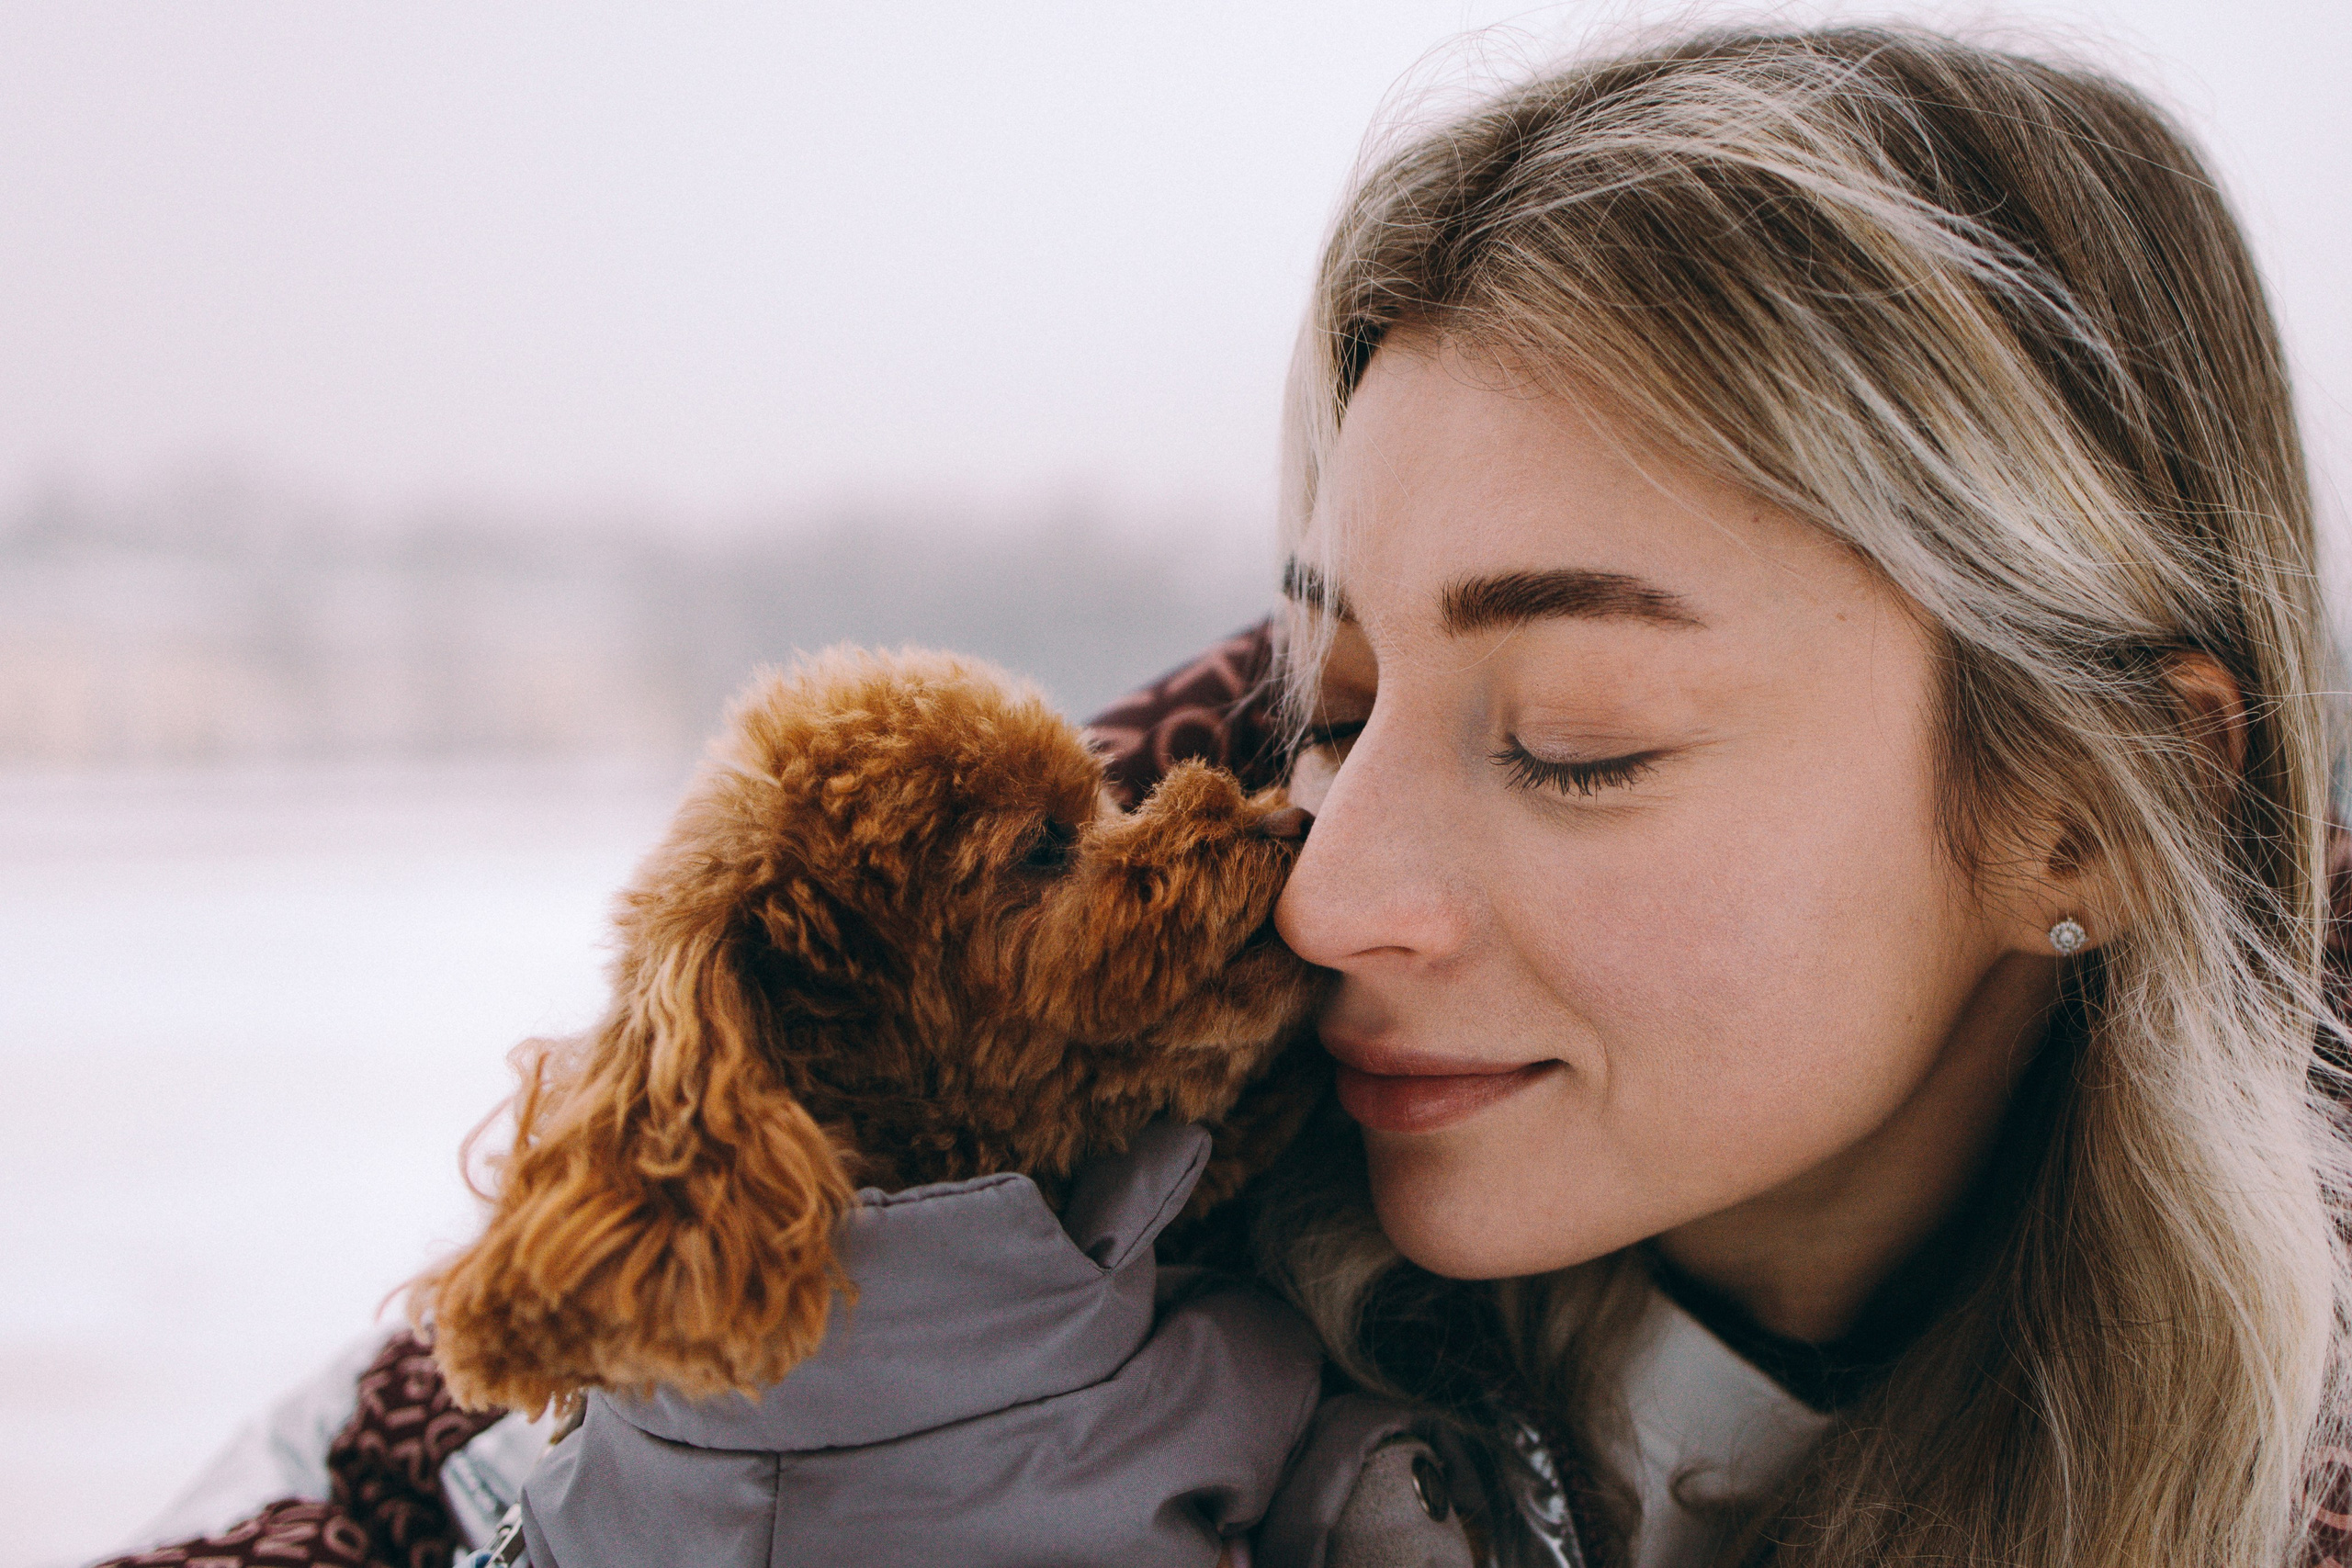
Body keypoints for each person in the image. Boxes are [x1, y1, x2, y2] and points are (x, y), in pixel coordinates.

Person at [102, 22, 2352, 1568]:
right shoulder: (948, 1059)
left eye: (1573, 740)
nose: (1324, 885)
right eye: (1334, 690)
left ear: (2093, 803)